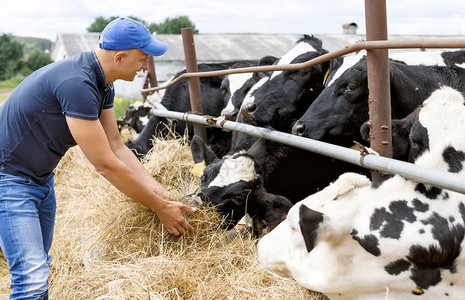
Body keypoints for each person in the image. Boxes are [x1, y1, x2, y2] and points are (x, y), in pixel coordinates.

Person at [0, 17, 196, 299]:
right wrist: (159, 207)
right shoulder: (78, 84)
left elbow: (117, 146)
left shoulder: (102, 83)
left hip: (39, 180)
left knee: (39, 269)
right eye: (142, 59)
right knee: (30, 279)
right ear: (119, 56)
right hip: (10, 182)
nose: (144, 67)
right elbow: (105, 164)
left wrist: (161, 193)